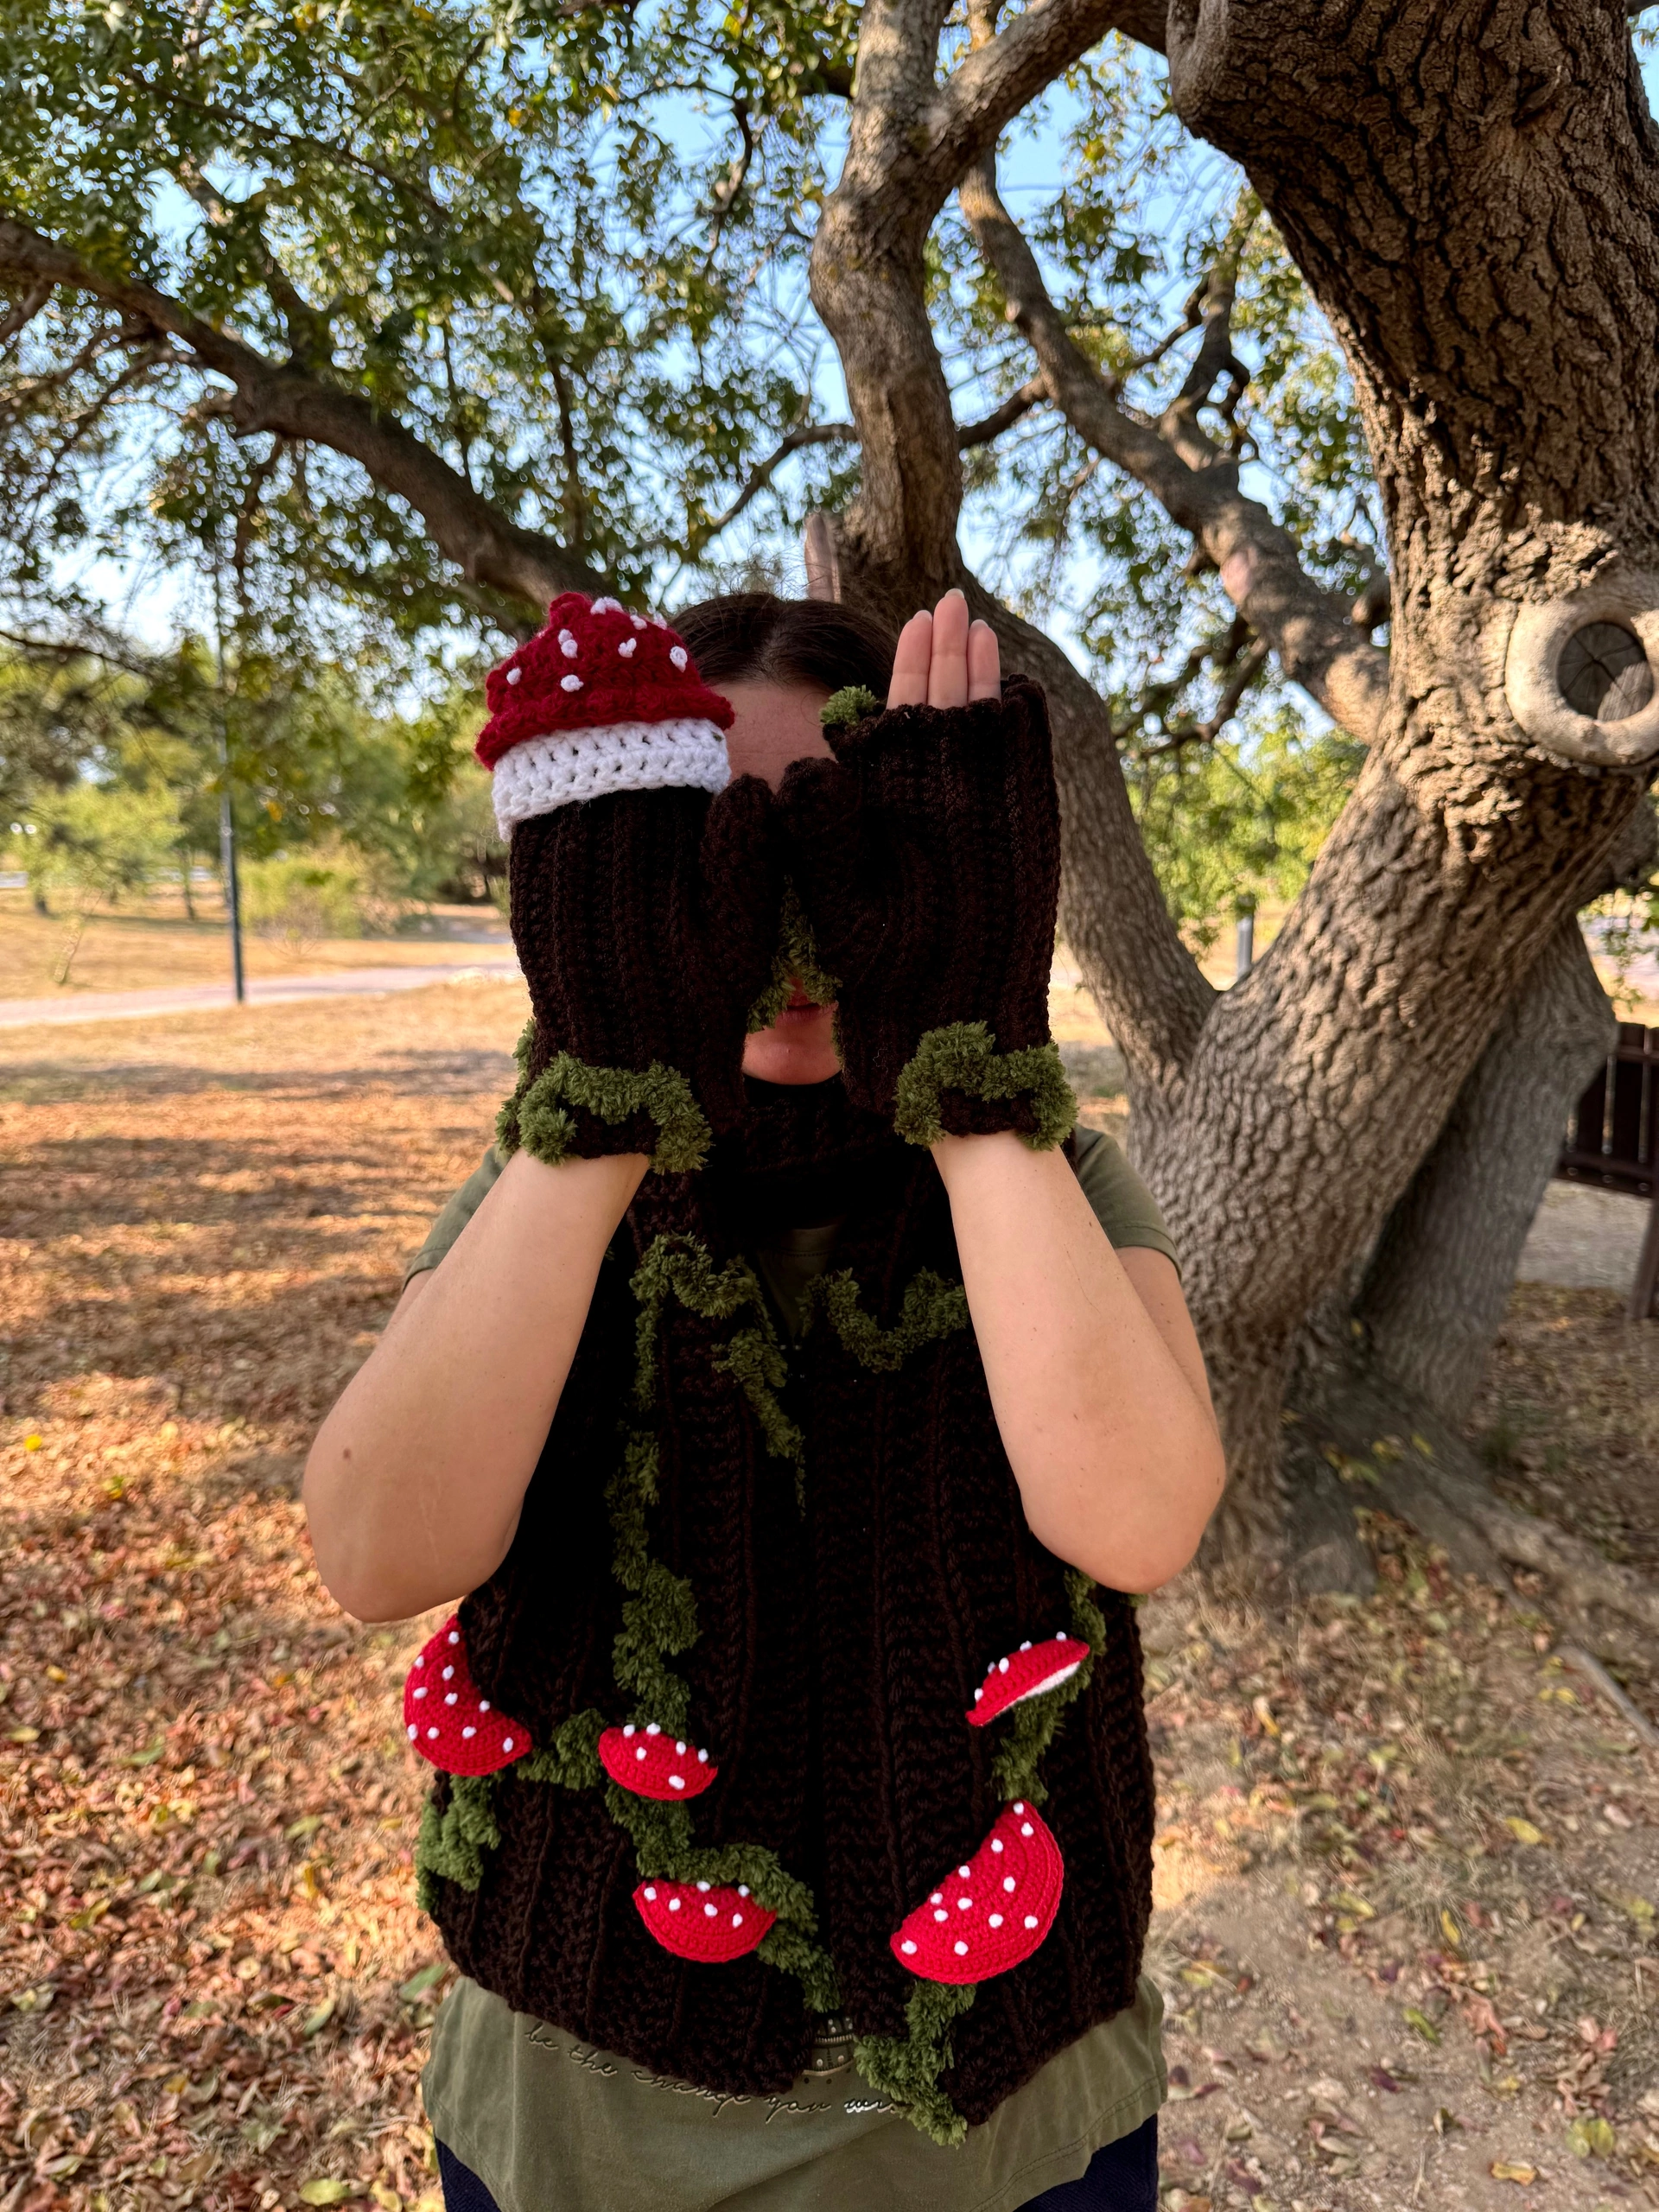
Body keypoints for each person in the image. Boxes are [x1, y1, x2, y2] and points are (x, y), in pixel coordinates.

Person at [303, 586, 1225, 2212]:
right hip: (579, 2121)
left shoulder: (1054, 1174)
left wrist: (964, 1073)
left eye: (835, 843)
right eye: (710, 843)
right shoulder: (548, 1182)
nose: (778, 918)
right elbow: (378, 1552)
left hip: (1014, 2136)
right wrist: (605, 1101)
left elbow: (1137, 1516)